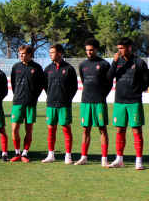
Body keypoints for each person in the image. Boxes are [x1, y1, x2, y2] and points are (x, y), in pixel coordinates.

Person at [106, 37, 149, 170]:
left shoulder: (139, 62)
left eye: (121, 49)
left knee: (136, 130)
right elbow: (108, 77)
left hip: (134, 101)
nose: (119, 51)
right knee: (119, 129)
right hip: (119, 102)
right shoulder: (117, 61)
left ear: (129, 47)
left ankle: (139, 161)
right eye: (118, 49)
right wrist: (113, 62)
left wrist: (137, 91)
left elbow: (147, 80)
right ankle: (119, 160)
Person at [74, 39, 112, 167]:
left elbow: (109, 83)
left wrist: (102, 95)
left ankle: (104, 159)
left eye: (91, 50)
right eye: (87, 50)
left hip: (99, 101)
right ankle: (84, 157)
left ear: (96, 49)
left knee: (102, 129)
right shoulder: (83, 65)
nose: (89, 52)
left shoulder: (104, 64)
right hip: (86, 101)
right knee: (86, 129)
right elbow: (84, 81)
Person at [42, 44, 78, 164]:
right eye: (50, 52)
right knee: (51, 129)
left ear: (59, 53)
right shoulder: (47, 69)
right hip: (51, 104)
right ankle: (51, 155)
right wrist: (51, 96)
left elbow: (74, 87)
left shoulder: (69, 69)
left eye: (52, 52)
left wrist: (67, 99)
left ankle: (68, 156)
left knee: (66, 129)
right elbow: (46, 86)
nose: (50, 54)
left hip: (64, 104)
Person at [10, 45, 44, 162]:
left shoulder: (37, 68)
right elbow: (14, 85)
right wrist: (18, 95)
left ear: (30, 54)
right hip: (17, 102)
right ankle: (17, 152)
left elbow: (40, 86)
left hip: (30, 103)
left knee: (28, 129)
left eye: (23, 53)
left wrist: (33, 97)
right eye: (20, 53)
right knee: (14, 128)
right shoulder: (16, 67)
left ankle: (25, 154)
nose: (21, 55)